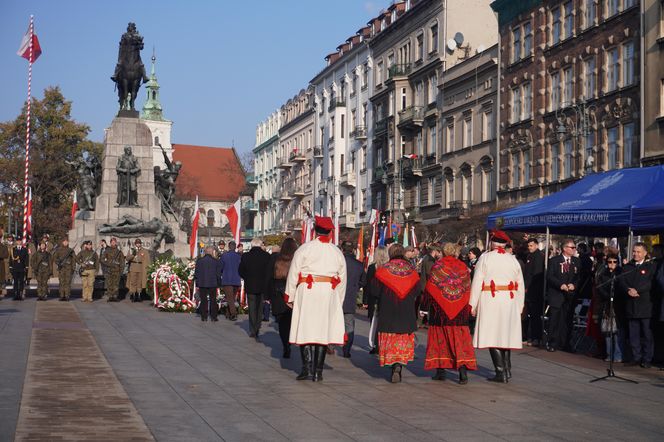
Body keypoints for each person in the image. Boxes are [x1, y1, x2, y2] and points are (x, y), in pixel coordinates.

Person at [285, 216, 346, 382]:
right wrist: (338, 300)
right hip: (328, 293)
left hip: (308, 291)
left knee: (304, 328)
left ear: (315, 230)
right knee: (322, 333)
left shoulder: (304, 249)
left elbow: (293, 273)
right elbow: (342, 278)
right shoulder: (336, 252)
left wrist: (289, 294)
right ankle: (318, 371)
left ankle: (306, 368)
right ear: (329, 231)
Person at [469, 230, 525, 383]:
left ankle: (500, 372)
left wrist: (472, 303)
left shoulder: (485, 258)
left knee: (492, 335)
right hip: (510, 300)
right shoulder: (513, 260)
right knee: (505, 335)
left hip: (491, 299)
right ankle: (507, 370)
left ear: (493, 242)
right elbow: (520, 284)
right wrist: (520, 304)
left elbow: (477, 282)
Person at [423, 242, 477, 384]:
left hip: (440, 312)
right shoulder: (463, 267)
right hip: (459, 311)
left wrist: (425, 305)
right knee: (459, 341)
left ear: (443, 252)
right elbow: (467, 287)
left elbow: (430, 287)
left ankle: (441, 371)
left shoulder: (438, 266)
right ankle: (462, 372)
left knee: (440, 341)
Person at [373, 244, 419, 383]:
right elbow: (417, 291)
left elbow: (374, 291)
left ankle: (393, 364)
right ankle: (399, 364)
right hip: (406, 312)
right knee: (402, 340)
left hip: (388, 311)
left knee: (391, 340)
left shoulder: (383, 270)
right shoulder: (411, 270)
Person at [620, 242, 656, 368]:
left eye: (638, 251)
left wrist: (637, 290)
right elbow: (622, 280)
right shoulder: (628, 266)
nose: (635, 254)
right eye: (634, 251)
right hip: (631, 304)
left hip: (645, 305)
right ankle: (636, 357)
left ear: (645, 253)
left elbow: (651, 283)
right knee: (633, 333)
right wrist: (628, 289)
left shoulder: (651, 266)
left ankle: (647, 359)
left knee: (647, 334)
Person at [265, 237, 298, 358]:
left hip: (278, 293)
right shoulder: (297, 258)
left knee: (283, 323)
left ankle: (286, 346)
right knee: (292, 320)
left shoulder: (275, 258)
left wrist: (267, 294)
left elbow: (268, 276)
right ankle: (292, 340)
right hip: (293, 292)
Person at [545, 239, 580, 352]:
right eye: (572, 247)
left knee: (567, 320)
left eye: (574, 248)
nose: (574, 249)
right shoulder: (555, 261)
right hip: (557, 294)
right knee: (554, 319)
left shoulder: (576, 261)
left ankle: (565, 343)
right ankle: (552, 342)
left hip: (569, 296)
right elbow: (550, 276)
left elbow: (579, 277)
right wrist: (560, 285)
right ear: (565, 248)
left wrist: (574, 285)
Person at [239, 238, 271, 340]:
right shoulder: (266, 256)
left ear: (252, 245)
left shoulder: (246, 256)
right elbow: (269, 272)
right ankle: (257, 326)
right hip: (262, 286)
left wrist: (247, 278)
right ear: (260, 245)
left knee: (252, 307)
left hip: (250, 285)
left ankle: (252, 329)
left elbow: (240, 270)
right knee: (260, 307)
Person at [595, 251, 624, 362]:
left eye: (614, 262)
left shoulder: (620, 272)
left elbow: (622, 287)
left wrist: (614, 296)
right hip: (606, 305)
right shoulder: (604, 273)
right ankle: (609, 354)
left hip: (617, 305)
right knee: (607, 331)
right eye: (609, 262)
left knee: (616, 332)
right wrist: (607, 296)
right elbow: (600, 287)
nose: (612, 264)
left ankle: (618, 354)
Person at [340, 240, 367, 358]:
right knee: (349, 325)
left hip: (336, 297)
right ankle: (346, 349)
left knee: (333, 323)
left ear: (342, 249)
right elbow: (363, 281)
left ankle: (330, 346)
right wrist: (356, 287)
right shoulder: (358, 265)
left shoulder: (337, 262)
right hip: (350, 298)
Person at [364, 245, 389, 354]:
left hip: (373, 298)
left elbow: (367, 286)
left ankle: (375, 345)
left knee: (373, 323)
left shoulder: (372, 267)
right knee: (384, 323)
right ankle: (383, 345)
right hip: (386, 299)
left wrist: (365, 300)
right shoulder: (389, 268)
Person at [523, 238, 545, 346]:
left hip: (534, 291)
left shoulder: (538, 256)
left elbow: (536, 274)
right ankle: (530, 336)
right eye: (528, 246)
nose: (529, 248)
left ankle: (536, 337)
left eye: (531, 245)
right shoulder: (530, 256)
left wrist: (528, 287)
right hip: (529, 290)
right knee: (529, 315)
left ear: (536, 245)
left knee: (535, 315)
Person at [194, 246, 222, 322]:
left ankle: (204, 316)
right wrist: (219, 283)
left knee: (203, 300)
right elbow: (218, 274)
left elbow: (196, 273)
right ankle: (213, 317)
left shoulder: (199, 261)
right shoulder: (216, 261)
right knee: (213, 300)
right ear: (212, 252)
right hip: (213, 283)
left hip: (202, 283)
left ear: (205, 252)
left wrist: (197, 283)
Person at [220, 241, 242, 321]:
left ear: (229, 247)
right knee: (232, 298)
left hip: (227, 280)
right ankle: (228, 313)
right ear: (235, 247)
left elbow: (220, 268)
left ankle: (233, 314)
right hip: (236, 279)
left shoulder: (224, 256)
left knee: (229, 298)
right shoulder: (239, 256)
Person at [102, 237, 125, 302]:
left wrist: (121, 270)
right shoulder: (107, 251)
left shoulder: (119, 252)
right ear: (110, 243)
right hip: (109, 270)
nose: (113, 243)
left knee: (116, 284)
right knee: (109, 284)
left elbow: (122, 262)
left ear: (116, 243)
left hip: (116, 270)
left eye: (114, 242)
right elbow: (102, 259)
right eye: (112, 242)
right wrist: (108, 263)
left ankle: (115, 296)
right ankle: (110, 296)